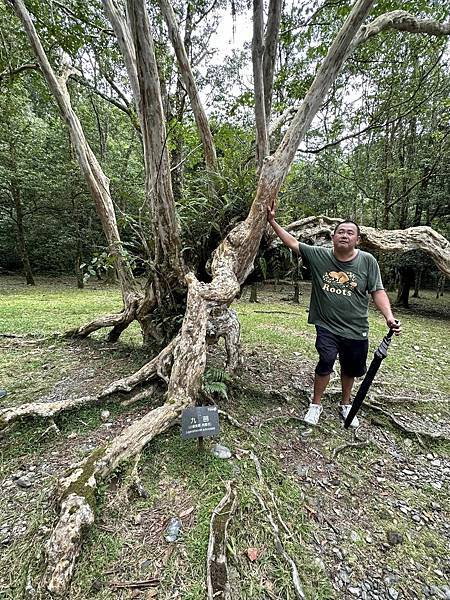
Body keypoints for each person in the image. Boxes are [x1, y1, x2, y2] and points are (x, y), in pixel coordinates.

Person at [267, 203, 401, 427]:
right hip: (326, 325)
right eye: (341, 231)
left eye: (350, 233)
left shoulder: (368, 261)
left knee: (350, 369)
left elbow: (378, 291)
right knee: (326, 360)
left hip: (356, 327)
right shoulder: (319, 255)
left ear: (357, 239)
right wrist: (272, 221)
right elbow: (291, 242)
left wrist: (388, 316)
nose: (345, 236)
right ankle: (315, 404)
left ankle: (346, 403)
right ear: (333, 236)